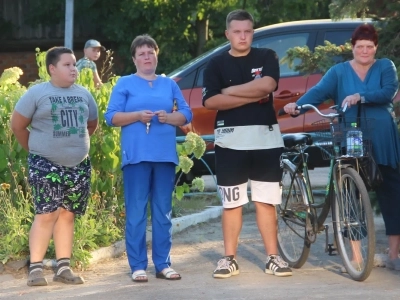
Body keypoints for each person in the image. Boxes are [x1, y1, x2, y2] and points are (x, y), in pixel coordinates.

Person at [283, 24, 400, 271]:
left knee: (392, 194)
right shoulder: (338, 72)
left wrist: (360, 96)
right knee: (351, 195)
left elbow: (388, 92)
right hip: (351, 137)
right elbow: (318, 93)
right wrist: (297, 106)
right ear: (352, 47)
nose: (365, 51)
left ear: (376, 48)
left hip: (383, 138)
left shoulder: (385, 66)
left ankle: (393, 254)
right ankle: (356, 256)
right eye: (360, 47)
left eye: (370, 47)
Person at [202, 9, 292, 278]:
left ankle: (272, 257)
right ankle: (229, 258)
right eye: (237, 32)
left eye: (248, 31)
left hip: (265, 139)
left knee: (266, 201)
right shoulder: (215, 64)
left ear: (253, 31)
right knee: (232, 204)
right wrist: (251, 94)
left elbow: (267, 85)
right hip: (230, 142)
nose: (243, 36)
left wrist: (230, 91)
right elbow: (211, 101)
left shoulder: (267, 56)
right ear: (227, 34)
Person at [104, 34, 192, 283]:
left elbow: (186, 113)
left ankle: (163, 264)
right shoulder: (125, 83)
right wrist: (137, 116)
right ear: (134, 58)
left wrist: (169, 117)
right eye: (141, 53)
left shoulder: (169, 84)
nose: (146, 57)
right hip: (136, 156)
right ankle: (137, 265)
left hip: (164, 156)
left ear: (156, 55)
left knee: (163, 212)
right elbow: (111, 117)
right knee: (136, 212)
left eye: (150, 52)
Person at [10, 46, 99, 286]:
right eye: (68, 65)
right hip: (45, 164)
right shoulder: (37, 93)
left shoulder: (83, 94)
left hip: (78, 166)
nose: (74, 69)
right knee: (47, 213)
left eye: (74, 64)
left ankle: (63, 269)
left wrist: (74, 147)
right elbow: (17, 125)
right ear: (52, 68)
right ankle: (36, 269)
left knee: (68, 215)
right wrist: (38, 151)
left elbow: (91, 125)